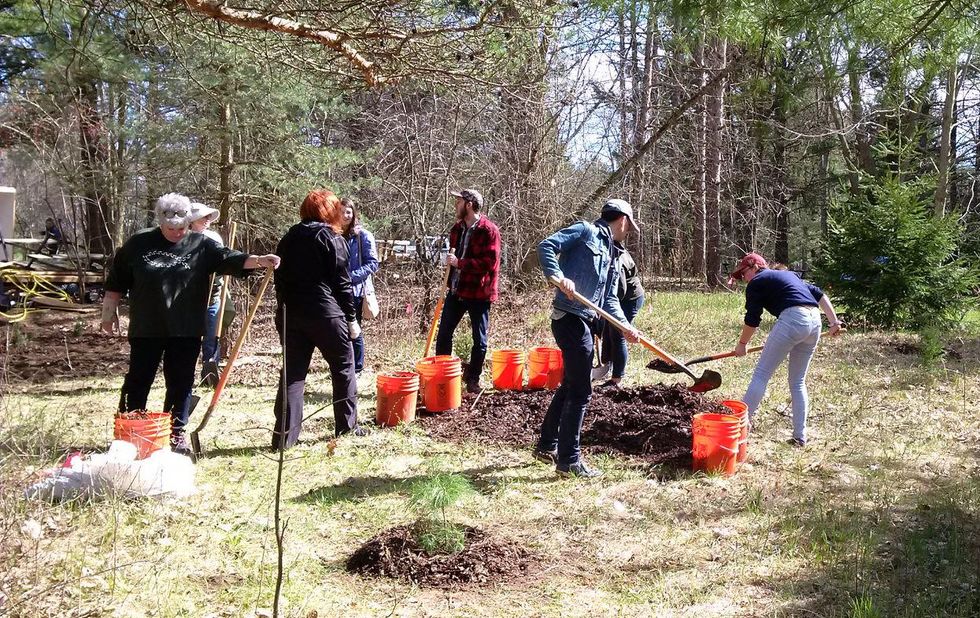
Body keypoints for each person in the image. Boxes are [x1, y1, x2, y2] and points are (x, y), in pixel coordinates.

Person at [101, 193, 280, 454]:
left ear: (189, 222)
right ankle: (130, 433)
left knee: (181, 382)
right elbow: (116, 282)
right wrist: (108, 315)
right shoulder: (138, 243)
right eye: (170, 228)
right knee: (138, 380)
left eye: (182, 228)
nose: (176, 233)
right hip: (147, 328)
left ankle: (175, 434)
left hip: (186, 328)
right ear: (160, 222)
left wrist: (260, 260)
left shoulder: (201, 244)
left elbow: (229, 258)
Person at [535, 199, 640, 478]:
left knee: (571, 384)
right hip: (568, 317)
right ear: (623, 221)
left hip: (586, 320)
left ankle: (546, 445)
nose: (627, 232)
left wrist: (625, 326)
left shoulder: (613, 254)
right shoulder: (585, 232)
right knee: (581, 390)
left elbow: (608, 299)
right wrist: (558, 276)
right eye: (629, 227)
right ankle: (569, 461)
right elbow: (546, 246)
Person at [272, 189, 364, 449]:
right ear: (330, 212)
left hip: (292, 314)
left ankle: (284, 439)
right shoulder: (331, 238)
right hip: (325, 314)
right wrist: (351, 318)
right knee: (344, 366)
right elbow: (343, 284)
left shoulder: (288, 237)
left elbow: (279, 281)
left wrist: (282, 312)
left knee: (293, 375)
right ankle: (347, 428)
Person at [729, 252, 844, 447]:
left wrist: (742, 344)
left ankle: (739, 431)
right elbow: (819, 294)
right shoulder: (789, 275)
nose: (743, 279)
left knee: (761, 374)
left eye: (744, 273)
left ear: (755, 267)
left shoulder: (757, 282)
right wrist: (834, 322)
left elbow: (752, 319)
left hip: (793, 318)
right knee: (798, 381)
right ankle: (800, 436)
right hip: (815, 322)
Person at [435, 189, 501, 393]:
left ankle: (473, 379)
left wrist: (460, 263)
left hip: (479, 293)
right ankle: (442, 376)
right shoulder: (457, 229)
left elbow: (489, 263)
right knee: (444, 334)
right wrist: (450, 263)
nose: (456, 204)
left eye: (459, 201)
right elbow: (454, 259)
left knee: (479, 340)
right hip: (456, 290)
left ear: (469, 205)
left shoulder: (489, 230)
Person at [341, 197, 379, 375]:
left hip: (355, 291)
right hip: (336, 291)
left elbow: (372, 264)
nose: (345, 215)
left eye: (348, 211)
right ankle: (344, 365)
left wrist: (350, 278)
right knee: (340, 330)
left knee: (354, 327)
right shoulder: (334, 235)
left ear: (353, 213)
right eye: (341, 212)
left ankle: (357, 367)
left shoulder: (363, 236)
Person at [599, 240, 645, 386]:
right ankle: (605, 366)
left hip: (629, 299)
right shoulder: (606, 249)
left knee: (618, 333)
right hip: (620, 298)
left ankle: (616, 379)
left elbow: (620, 290)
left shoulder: (615, 256)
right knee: (606, 329)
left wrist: (606, 306)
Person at [188, 202, 224, 386]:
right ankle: (186, 375)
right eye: (204, 217)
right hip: (189, 300)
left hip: (213, 297)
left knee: (211, 338)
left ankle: (209, 377)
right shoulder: (183, 239)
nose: (208, 220)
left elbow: (224, 262)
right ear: (192, 220)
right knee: (190, 339)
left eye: (209, 217)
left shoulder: (214, 238)